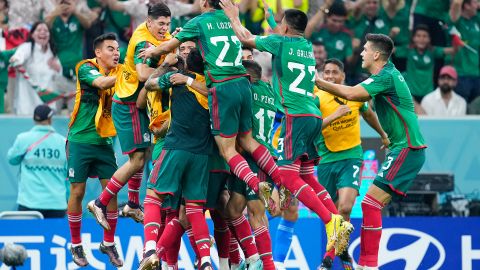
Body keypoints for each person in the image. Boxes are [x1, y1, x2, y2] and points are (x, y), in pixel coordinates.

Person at [220, 0, 353, 255]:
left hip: (296, 115)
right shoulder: (305, 45)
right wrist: (272, 20)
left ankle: (330, 221)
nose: (277, 28)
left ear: (286, 29)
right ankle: (336, 218)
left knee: (290, 177)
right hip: (313, 114)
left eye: (279, 25)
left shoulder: (280, 43)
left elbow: (245, 38)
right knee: (304, 176)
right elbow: (279, 37)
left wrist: (234, 17)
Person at [137, 0, 285, 211]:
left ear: (205, 2)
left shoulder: (198, 22)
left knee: (227, 150)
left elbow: (170, 46)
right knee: (247, 139)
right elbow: (247, 37)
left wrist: (151, 53)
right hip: (243, 84)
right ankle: (280, 180)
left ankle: (256, 184)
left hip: (222, 88)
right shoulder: (230, 18)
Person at [315, 33, 426, 269]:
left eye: (365, 49)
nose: (362, 52)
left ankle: (368, 264)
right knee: (370, 204)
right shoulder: (386, 75)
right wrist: (385, 135)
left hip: (407, 148)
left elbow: (351, 94)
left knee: (369, 203)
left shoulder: (385, 76)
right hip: (403, 147)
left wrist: (316, 80)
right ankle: (366, 263)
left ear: (376, 54)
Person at [88, 3, 173, 230]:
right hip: (128, 104)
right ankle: (100, 202)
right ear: (149, 21)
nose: (164, 28)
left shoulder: (155, 35)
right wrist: (167, 63)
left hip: (138, 104)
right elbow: (144, 74)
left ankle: (134, 204)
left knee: (144, 154)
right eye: (160, 24)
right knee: (137, 160)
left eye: (168, 23)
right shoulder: (143, 41)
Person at [139, 50, 214, 270]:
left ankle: (150, 249)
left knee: (153, 196)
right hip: (202, 155)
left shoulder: (177, 80)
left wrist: (166, 65)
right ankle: (206, 262)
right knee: (193, 209)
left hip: (176, 148)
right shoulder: (213, 86)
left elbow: (149, 85)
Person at [315, 58, 388, 270]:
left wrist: (383, 135)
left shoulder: (354, 95)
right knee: (330, 216)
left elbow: (369, 114)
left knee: (345, 207)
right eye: (326, 72)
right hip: (327, 160)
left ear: (342, 76)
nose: (329, 76)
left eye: (334, 72)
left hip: (351, 157)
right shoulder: (317, 98)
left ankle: (327, 260)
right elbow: (312, 126)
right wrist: (336, 115)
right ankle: (343, 249)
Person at [65, 33, 122, 267]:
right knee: (77, 192)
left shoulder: (117, 72)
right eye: (110, 49)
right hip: (79, 139)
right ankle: (76, 244)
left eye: (118, 49)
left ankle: (108, 242)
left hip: (105, 141)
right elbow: (101, 83)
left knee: (111, 192)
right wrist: (129, 73)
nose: (116, 53)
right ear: (98, 53)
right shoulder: (85, 68)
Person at [7, 105, 67, 218]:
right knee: (53, 235)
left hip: (29, 203)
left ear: (34, 119)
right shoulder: (63, 142)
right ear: (50, 119)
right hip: (57, 203)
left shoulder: (23, 139)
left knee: (27, 235)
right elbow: (69, 174)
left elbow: (12, 159)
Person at [9, 21, 63, 115]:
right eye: (39, 30)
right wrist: (16, 60)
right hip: (27, 101)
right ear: (32, 35)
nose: (42, 32)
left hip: (46, 102)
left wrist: (57, 68)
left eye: (46, 30)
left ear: (49, 35)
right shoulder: (26, 47)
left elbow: (59, 77)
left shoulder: (52, 53)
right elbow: (18, 57)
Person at [449, 0, 480, 103]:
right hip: (462, 74)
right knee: (461, 108)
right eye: (475, 2)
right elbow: (456, 4)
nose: (478, 5)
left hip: (477, 73)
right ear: (466, 5)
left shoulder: (477, 20)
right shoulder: (457, 21)